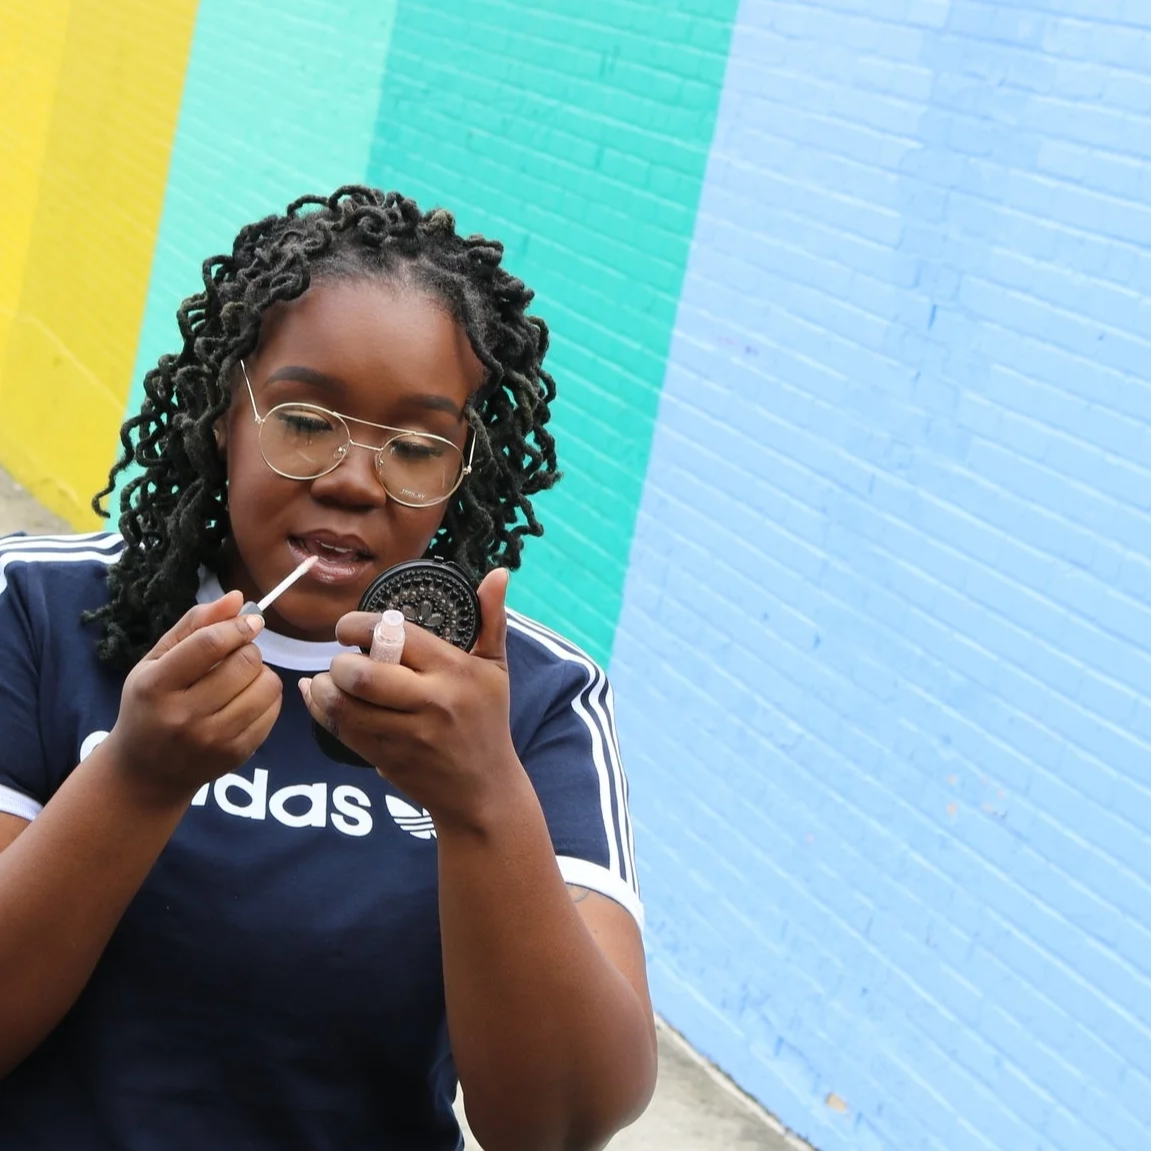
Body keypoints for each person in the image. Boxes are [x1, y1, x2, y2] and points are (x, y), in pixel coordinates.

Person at [0, 187, 656, 1150]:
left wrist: (482, 801)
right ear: (227, 411)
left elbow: (562, 1124)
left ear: (463, 464)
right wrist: (137, 779)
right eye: (306, 422)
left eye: (417, 444)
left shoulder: (530, 698)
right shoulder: (40, 609)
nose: (353, 479)